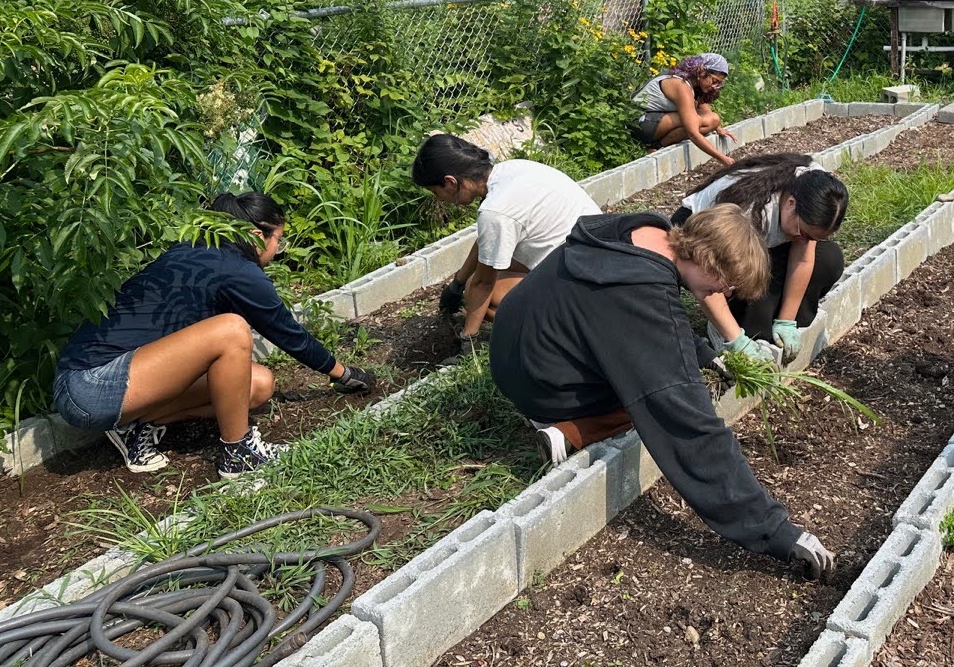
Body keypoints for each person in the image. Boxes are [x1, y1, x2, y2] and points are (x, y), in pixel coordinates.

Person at [489, 204, 835, 578]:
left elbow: (662, 320)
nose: (724, 292)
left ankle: (566, 432)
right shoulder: (638, 293)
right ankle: (568, 426)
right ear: (705, 259)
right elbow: (691, 426)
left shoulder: (639, 235)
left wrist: (703, 354)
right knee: (663, 403)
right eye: (726, 283)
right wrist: (776, 531)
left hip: (513, 350)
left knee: (666, 374)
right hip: (540, 383)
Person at [53, 193, 375, 480]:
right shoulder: (240, 272)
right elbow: (291, 336)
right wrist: (344, 374)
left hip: (117, 378)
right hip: (88, 385)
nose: (279, 250)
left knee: (258, 385)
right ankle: (238, 455)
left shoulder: (195, 246)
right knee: (232, 330)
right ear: (256, 235)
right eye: (279, 239)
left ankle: (136, 427)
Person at [412, 134, 600, 352]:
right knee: (474, 284)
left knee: (484, 296)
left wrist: (467, 339)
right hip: (597, 253)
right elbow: (487, 241)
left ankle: (559, 329)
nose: (439, 198)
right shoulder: (512, 169)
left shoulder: (496, 211)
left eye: (436, 192)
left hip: (584, 286)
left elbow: (484, 283)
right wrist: (457, 284)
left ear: (450, 182)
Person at [669, 153, 848, 362]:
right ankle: (725, 325)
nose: (805, 239)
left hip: (754, 243)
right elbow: (710, 273)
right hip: (702, 243)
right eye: (804, 232)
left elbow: (803, 259)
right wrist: (735, 339)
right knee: (755, 325)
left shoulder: (817, 191)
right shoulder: (749, 211)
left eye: (812, 236)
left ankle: (767, 319)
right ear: (791, 203)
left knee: (828, 259)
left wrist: (786, 320)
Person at [630, 53, 737, 166]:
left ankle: (656, 145)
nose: (714, 87)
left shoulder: (692, 82)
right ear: (702, 72)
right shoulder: (681, 85)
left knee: (713, 119)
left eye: (719, 84)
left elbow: (706, 111)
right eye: (714, 81)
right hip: (639, 122)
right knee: (693, 122)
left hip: (655, 119)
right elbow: (693, 133)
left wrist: (717, 127)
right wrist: (722, 158)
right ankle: (655, 145)